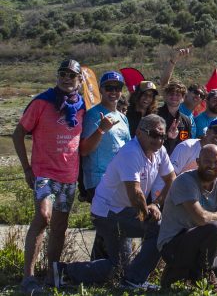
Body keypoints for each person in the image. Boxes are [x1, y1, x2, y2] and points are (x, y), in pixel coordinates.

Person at [54, 115, 177, 290]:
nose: (158, 140)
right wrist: (148, 217)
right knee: (159, 229)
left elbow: (171, 179)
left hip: (122, 210)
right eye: (153, 134)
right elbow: (135, 193)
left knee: (119, 268)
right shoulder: (131, 152)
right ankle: (134, 280)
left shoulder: (160, 151)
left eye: (162, 136)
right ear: (139, 133)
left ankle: (64, 271)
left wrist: (156, 204)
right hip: (107, 212)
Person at [13, 59, 86, 294]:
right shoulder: (42, 102)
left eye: (71, 75)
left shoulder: (82, 105)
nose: (66, 78)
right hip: (44, 172)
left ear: (79, 80)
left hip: (69, 175)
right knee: (44, 217)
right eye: (62, 73)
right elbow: (18, 134)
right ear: (57, 76)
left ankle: (52, 276)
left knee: (59, 226)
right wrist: (26, 169)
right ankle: (28, 278)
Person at [157, 144, 217, 292]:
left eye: (216, 162)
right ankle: (202, 276)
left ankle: (176, 275)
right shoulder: (185, 181)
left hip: (199, 249)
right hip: (172, 247)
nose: (211, 165)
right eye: (207, 161)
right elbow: (201, 219)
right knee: (214, 228)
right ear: (198, 162)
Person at [79, 71, 131, 261]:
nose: (113, 92)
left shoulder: (123, 118)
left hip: (119, 180)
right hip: (99, 180)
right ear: (101, 89)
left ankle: (100, 268)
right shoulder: (93, 115)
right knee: (114, 225)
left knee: (107, 229)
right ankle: (119, 267)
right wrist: (101, 129)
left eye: (117, 88)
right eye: (109, 87)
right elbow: (84, 150)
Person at [150, 117, 217, 199]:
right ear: (207, 131)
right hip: (162, 196)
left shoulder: (215, 157)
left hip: (184, 198)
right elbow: (170, 178)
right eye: (216, 131)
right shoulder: (187, 147)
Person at [157, 80, 192, 156]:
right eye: (171, 94)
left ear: (183, 98)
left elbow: (187, 145)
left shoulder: (186, 120)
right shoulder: (155, 115)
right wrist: (167, 136)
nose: (174, 97)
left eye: (178, 95)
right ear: (165, 96)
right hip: (156, 159)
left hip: (177, 163)